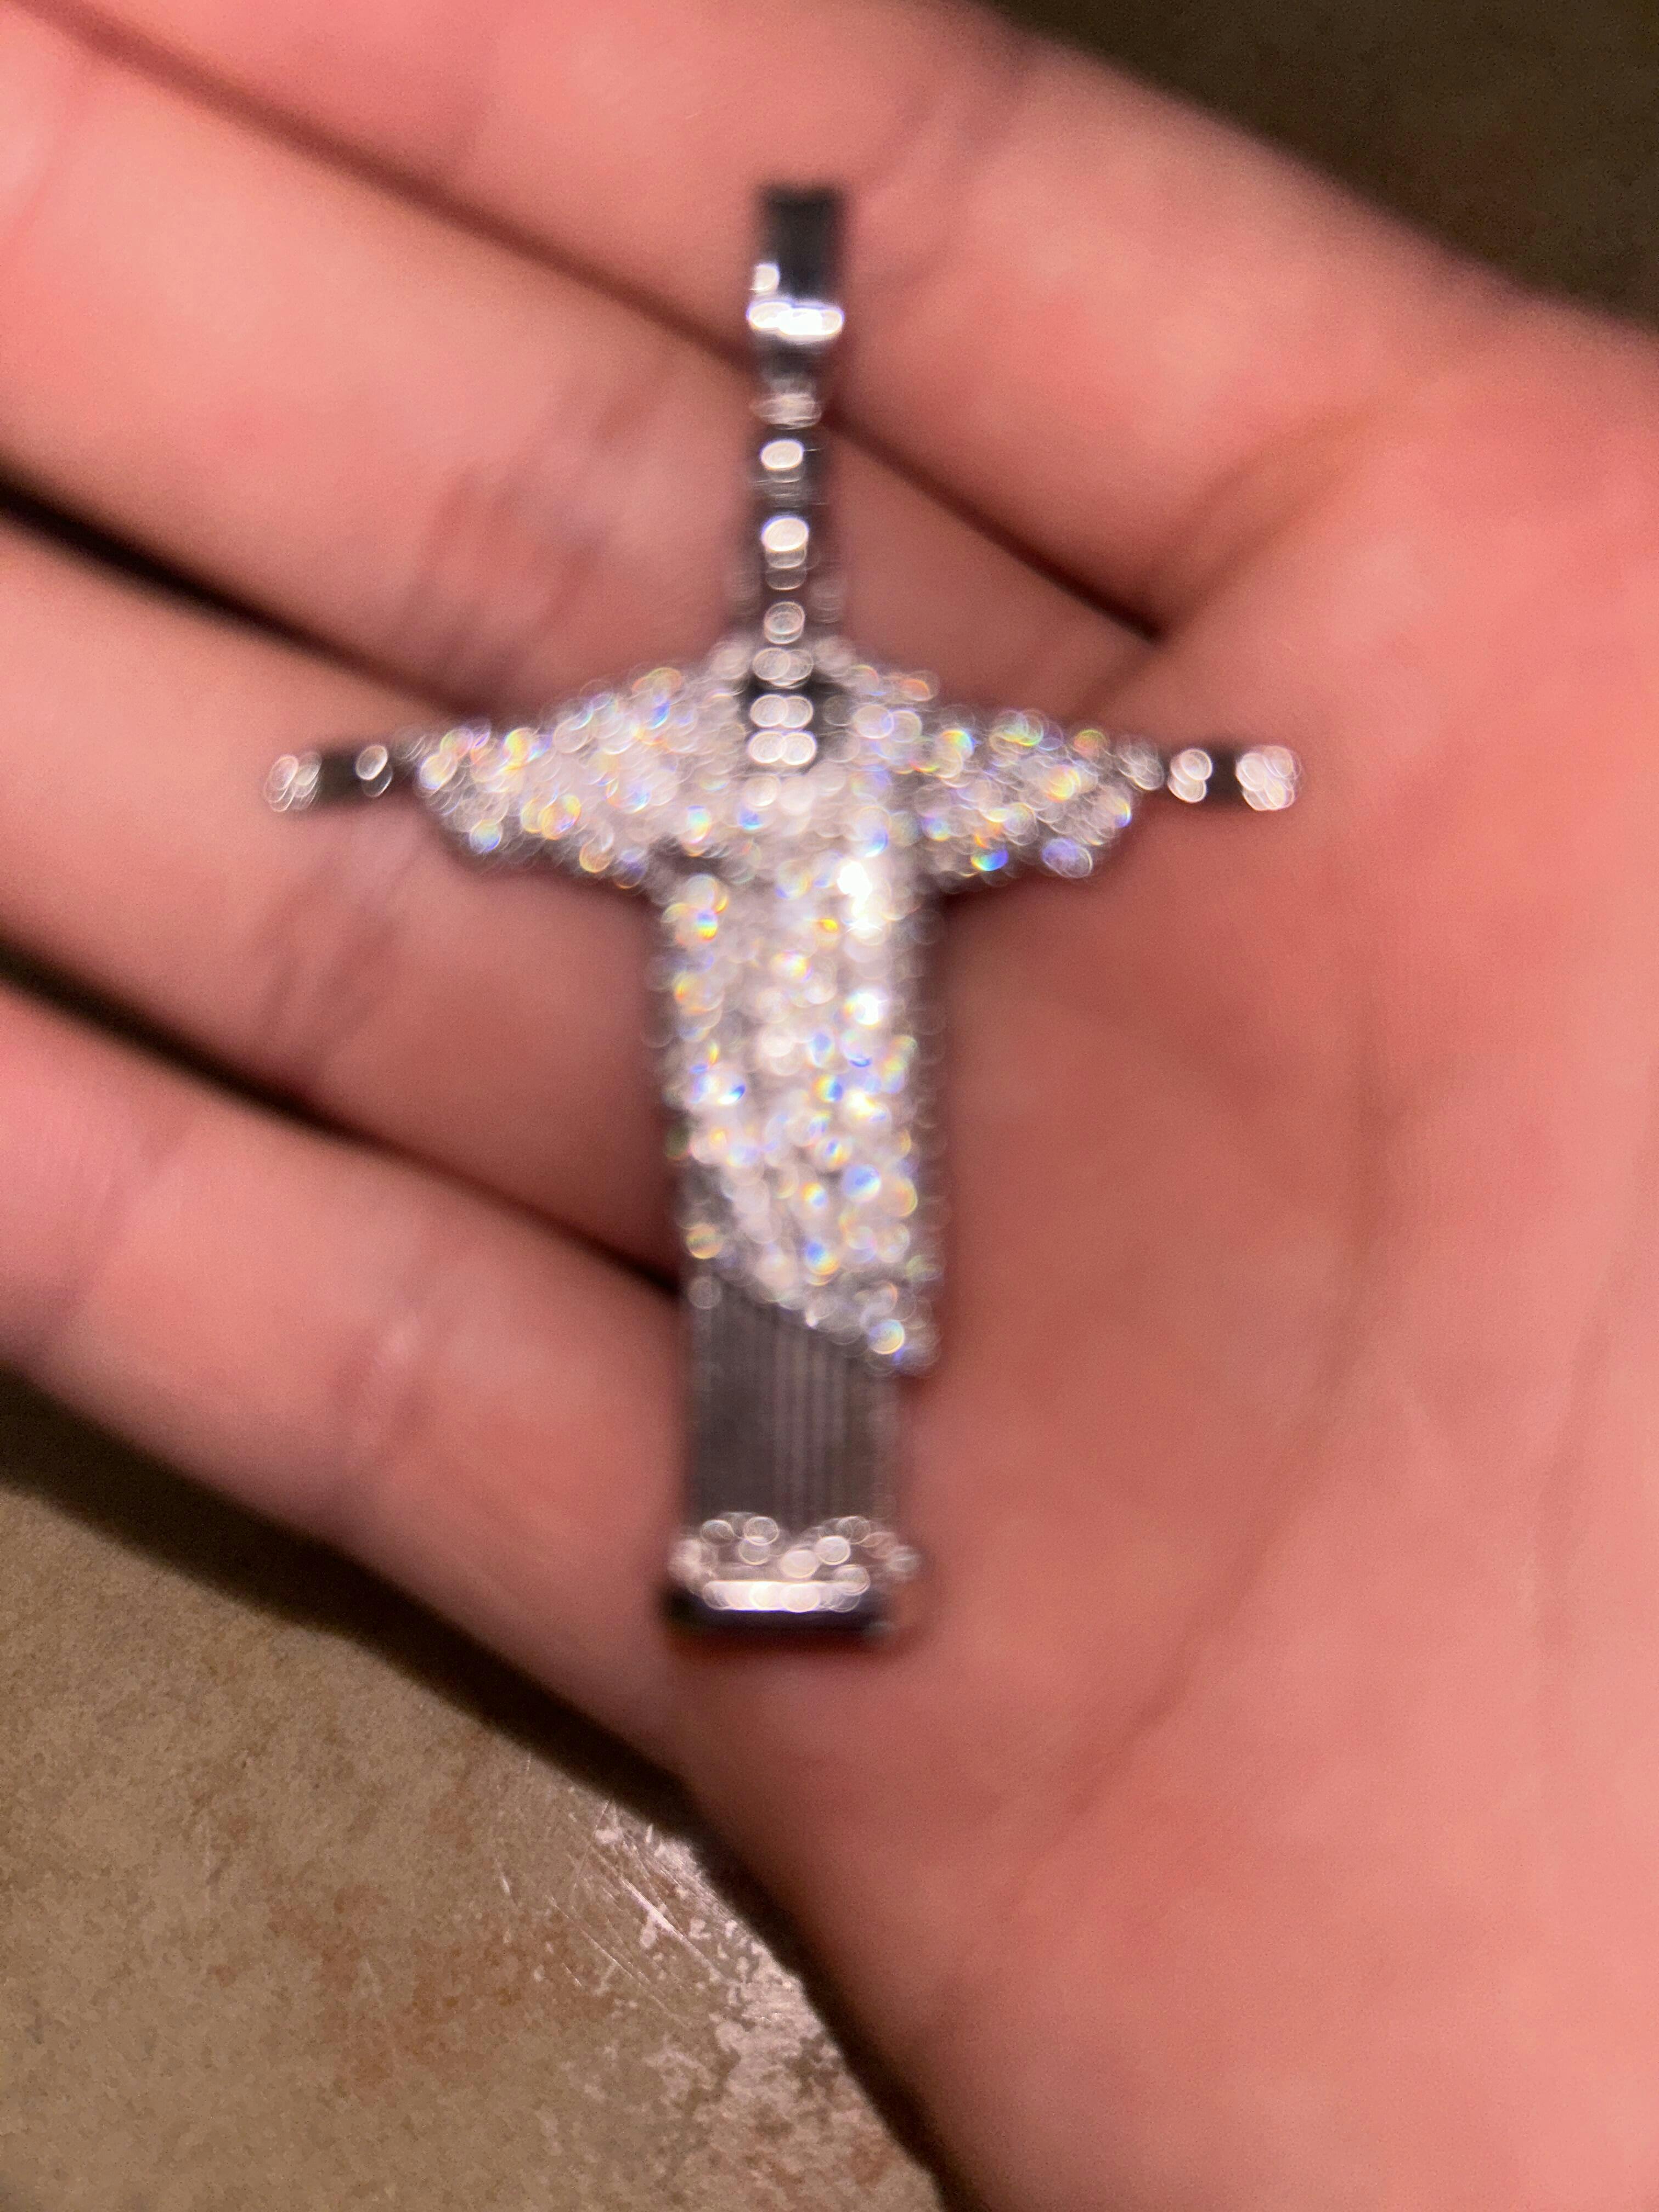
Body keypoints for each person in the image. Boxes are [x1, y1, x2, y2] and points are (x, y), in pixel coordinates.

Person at [1, 0, 1654, 2202]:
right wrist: (380, 772)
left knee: (834, 1310)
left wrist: (1200, 779)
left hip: (851, 1098)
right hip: (744, 1086)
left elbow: (1049, 776)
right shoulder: (701, 739)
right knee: (767, 1312)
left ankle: (811, 1534)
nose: (782, 662)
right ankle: (772, 1533)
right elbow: (530, 772)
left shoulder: (880, 740)